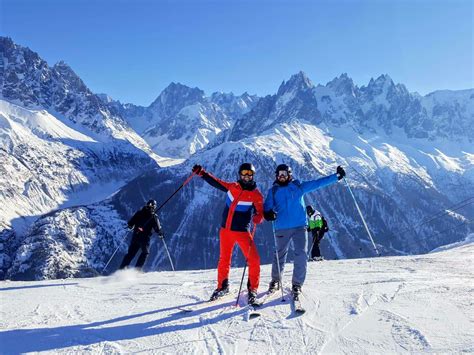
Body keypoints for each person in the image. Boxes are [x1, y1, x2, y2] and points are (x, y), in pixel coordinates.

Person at [264, 164, 346, 299]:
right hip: (281, 227)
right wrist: (267, 213)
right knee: (279, 255)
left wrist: (336, 177)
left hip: (299, 227)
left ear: (289, 175)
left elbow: (318, 183)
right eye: (279, 174)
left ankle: (297, 284)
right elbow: (267, 206)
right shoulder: (273, 191)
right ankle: (275, 281)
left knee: (301, 255)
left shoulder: (298, 187)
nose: (281, 176)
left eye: (284, 174)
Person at [192, 163, 264, 305]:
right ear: (239, 174)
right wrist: (202, 173)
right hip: (225, 231)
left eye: (249, 173)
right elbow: (215, 182)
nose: (246, 176)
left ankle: (252, 290)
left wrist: (258, 217)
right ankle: (222, 287)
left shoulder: (256, 195)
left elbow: (260, 212)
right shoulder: (232, 187)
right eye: (244, 173)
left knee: (254, 260)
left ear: (253, 175)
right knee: (224, 260)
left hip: (242, 232)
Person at [119, 199, 164, 270]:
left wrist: (131, 226)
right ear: (154, 207)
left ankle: (121, 269)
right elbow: (158, 229)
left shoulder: (139, 213)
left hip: (136, 236)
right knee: (145, 253)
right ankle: (137, 270)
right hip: (144, 239)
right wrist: (161, 234)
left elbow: (130, 223)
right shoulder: (154, 217)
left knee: (130, 254)